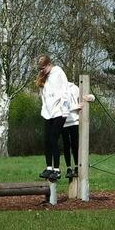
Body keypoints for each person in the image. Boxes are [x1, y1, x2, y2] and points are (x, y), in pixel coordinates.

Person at [35, 54, 72, 182]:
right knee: (46, 140)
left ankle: (57, 169)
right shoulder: (44, 77)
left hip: (59, 112)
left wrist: (64, 109)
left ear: (49, 64)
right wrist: (44, 109)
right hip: (48, 112)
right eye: (40, 69)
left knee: (53, 139)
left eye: (43, 68)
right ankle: (49, 167)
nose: (41, 71)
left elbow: (65, 91)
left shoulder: (58, 72)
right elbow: (43, 95)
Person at [61, 79, 82, 180]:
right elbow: (60, 107)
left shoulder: (75, 88)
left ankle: (77, 166)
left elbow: (82, 100)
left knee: (75, 144)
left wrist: (91, 97)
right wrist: (75, 107)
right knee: (66, 144)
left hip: (75, 120)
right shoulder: (58, 89)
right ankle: (69, 167)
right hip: (63, 121)